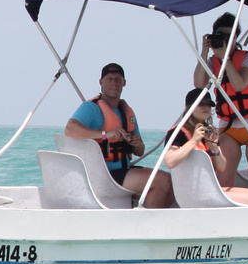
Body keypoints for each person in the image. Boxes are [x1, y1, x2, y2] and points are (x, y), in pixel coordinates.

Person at [63, 62, 171, 207]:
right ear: (101, 82)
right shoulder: (91, 108)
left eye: (118, 79)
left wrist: (137, 144)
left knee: (170, 181)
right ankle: (146, 226)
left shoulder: (126, 112)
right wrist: (105, 134)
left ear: (124, 83)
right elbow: (70, 129)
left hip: (123, 171)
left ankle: (152, 222)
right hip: (104, 176)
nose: (114, 83)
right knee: (160, 181)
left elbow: (140, 151)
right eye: (110, 79)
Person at [192, 12, 248, 192]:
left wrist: (226, 58)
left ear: (235, 38)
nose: (225, 40)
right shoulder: (213, 62)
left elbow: (239, 84)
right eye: (221, 36)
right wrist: (205, 53)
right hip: (229, 128)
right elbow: (198, 83)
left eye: (229, 37)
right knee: (224, 183)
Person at [161, 88, 248, 206]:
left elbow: (221, 167)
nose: (206, 107)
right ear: (189, 107)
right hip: (194, 194)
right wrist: (194, 141)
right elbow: (170, 161)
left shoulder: (207, 132)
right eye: (201, 104)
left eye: (208, 104)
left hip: (210, 191)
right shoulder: (178, 132)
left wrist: (214, 147)